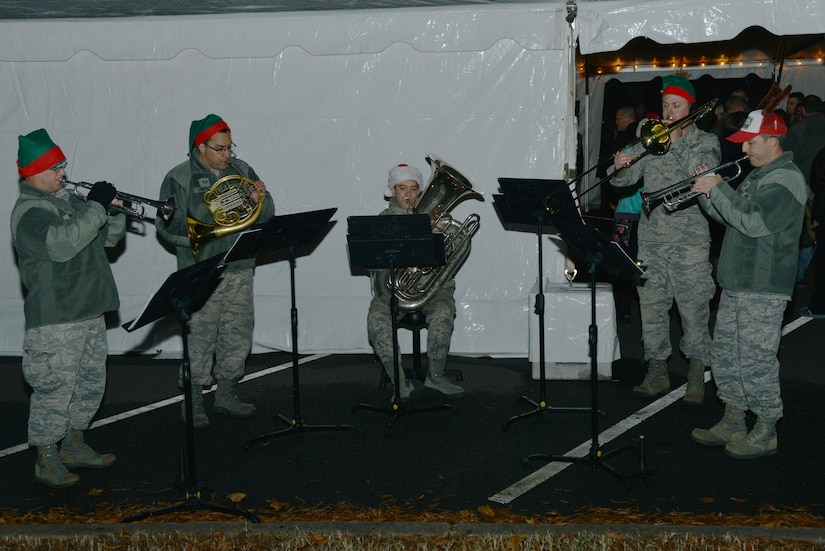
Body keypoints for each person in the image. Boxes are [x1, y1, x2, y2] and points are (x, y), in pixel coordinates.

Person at [10, 129, 125, 488]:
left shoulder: (67, 201)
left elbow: (106, 240)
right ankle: (46, 456)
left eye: (62, 165)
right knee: (56, 389)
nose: (63, 173)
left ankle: (74, 443)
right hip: (56, 319)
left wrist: (114, 212)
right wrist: (95, 206)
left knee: (89, 384)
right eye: (54, 168)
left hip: (89, 309)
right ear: (31, 173)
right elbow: (63, 245)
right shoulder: (29, 213)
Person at [690, 109, 807, 459]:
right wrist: (704, 191)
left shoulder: (786, 179)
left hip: (763, 288)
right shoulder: (761, 175)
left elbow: (753, 223)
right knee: (727, 358)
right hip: (739, 282)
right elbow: (730, 218)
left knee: (755, 361)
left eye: (751, 143)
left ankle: (766, 428)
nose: (744, 151)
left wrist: (719, 186)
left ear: (773, 141)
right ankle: (733, 418)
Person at [156, 114, 275, 429]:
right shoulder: (178, 177)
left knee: (237, 331)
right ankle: (194, 399)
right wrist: (210, 227)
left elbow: (267, 214)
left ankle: (227, 393)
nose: (228, 155)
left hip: (238, 266)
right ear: (201, 147)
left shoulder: (242, 170)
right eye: (220, 149)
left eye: (229, 147)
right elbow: (167, 226)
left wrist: (259, 199)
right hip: (202, 270)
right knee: (200, 335)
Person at [611, 75, 720, 405]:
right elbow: (622, 182)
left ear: (691, 108)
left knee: (694, 310)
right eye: (666, 106)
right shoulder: (649, 139)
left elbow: (700, 173)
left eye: (677, 106)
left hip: (690, 244)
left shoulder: (706, 141)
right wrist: (619, 166)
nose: (670, 112)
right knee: (652, 309)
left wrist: (676, 139)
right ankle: (656, 370)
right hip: (652, 242)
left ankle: (696, 373)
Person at [366, 163, 464, 403]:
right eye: (402, 188)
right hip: (392, 292)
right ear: (392, 191)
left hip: (432, 290)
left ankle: (436, 376)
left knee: (442, 314)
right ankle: (399, 382)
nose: (408, 194)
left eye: (413, 188)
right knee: (376, 320)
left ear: (421, 192)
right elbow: (371, 262)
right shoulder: (382, 222)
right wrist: (401, 260)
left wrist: (438, 238)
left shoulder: (435, 220)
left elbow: (459, 244)